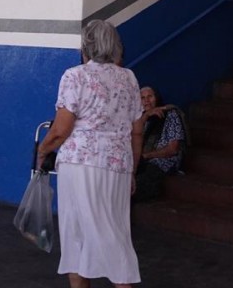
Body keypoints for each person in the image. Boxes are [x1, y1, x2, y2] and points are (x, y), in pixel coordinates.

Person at [36, 20, 144, 288]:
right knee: (115, 233)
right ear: (115, 46)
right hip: (117, 166)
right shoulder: (129, 78)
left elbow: (61, 129)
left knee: (77, 235)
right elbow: (137, 130)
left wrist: (42, 150)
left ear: (85, 47)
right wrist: (131, 170)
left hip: (80, 166)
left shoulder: (74, 76)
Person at [133, 86, 187, 202]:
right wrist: (146, 116)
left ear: (156, 98)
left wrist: (147, 156)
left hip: (162, 162)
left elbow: (173, 149)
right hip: (142, 161)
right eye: (142, 98)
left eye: (150, 97)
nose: (146, 101)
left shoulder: (170, 115)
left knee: (141, 183)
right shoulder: (140, 120)